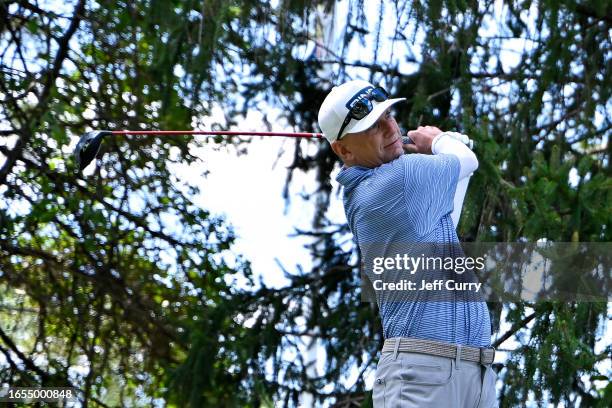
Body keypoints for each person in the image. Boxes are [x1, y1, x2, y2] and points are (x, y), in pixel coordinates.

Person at [318, 79, 498, 407]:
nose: (390, 128)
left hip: (473, 372)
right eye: (373, 126)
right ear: (344, 150)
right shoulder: (396, 180)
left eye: (389, 115)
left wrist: (448, 152)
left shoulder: (391, 186)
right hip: (423, 373)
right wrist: (440, 141)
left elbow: (445, 221)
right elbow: (467, 160)